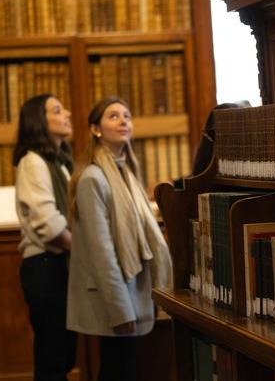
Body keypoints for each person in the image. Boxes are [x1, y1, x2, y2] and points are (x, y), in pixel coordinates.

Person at [66, 97, 172, 381]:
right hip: (113, 296)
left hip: (132, 289)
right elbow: (101, 252)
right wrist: (121, 309)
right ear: (96, 129)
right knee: (117, 371)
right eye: (113, 116)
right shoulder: (93, 178)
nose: (124, 120)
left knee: (125, 369)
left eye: (127, 115)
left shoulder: (127, 173)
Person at [13, 94, 76, 381]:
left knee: (64, 354)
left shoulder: (62, 161)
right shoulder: (33, 162)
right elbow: (48, 223)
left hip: (61, 262)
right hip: (45, 265)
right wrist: (85, 251)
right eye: (58, 110)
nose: (68, 113)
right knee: (52, 357)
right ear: (39, 120)